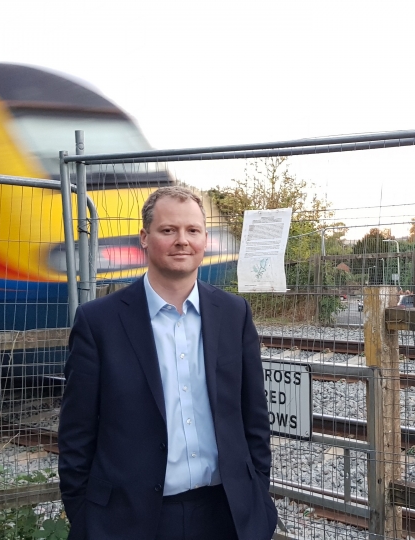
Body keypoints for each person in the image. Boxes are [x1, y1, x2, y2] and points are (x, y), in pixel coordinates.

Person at [58, 186, 277, 540]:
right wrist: (85, 520)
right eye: (168, 230)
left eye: (192, 230)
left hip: (226, 516)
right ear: (144, 237)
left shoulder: (234, 314)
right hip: (131, 521)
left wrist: (258, 500)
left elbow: (253, 416)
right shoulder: (99, 322)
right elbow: (76, 435)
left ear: (205, 238)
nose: (182, 241)